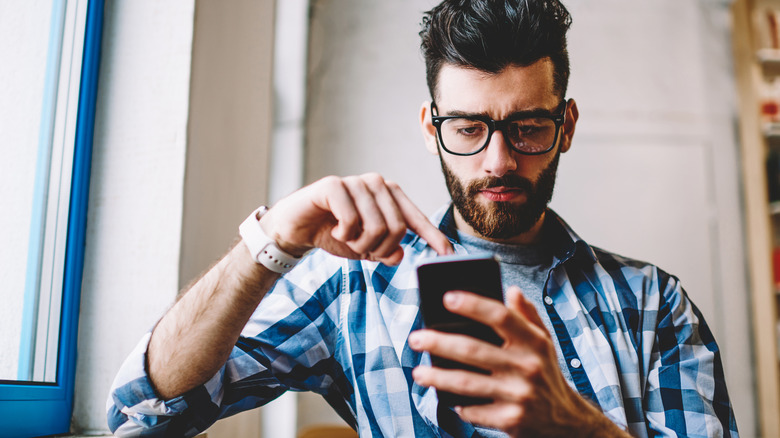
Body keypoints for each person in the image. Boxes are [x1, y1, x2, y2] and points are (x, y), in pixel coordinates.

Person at [107, 0, 739, 436]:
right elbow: (146, 406)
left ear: (565, 126)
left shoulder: (653, 304)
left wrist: (570, 427)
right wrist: (272, 239)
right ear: (432, 129)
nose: (498, 161)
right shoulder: (355, 283)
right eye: (468, 127)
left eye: (527, 128)